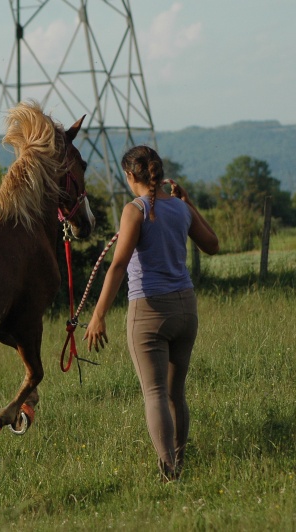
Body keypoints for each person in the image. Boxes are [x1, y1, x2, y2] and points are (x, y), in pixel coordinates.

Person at [83, 145, 219, 482]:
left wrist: (98, 314)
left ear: (130, 176)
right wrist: (189, 204)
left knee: (154, 393)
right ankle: (180, 462)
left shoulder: (135, 210)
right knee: (176, 393)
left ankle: (169, 473)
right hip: (186, 309)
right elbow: (213, 245)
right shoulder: (181, 209)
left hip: (149, 311)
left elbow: (118, 266)